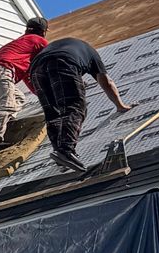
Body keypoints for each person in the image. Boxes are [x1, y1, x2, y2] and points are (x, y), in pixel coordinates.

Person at [29, 33, 130, 170]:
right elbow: (106, 82)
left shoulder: (72, 47)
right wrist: (120, 105)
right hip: (63, 61)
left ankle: (60, 155)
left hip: (35, 69)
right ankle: (65, 150)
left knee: (53, 113)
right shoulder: (92, 54)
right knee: (75, 107)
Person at [0, 17, 50, 152]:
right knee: (7, 105)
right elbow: (50, 60)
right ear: (44, 31)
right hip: (1, 70)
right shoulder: (38, 41)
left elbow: (29, 77)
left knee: (18, 98)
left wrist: (41, 94)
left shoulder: (23, 45)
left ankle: (7, 125)